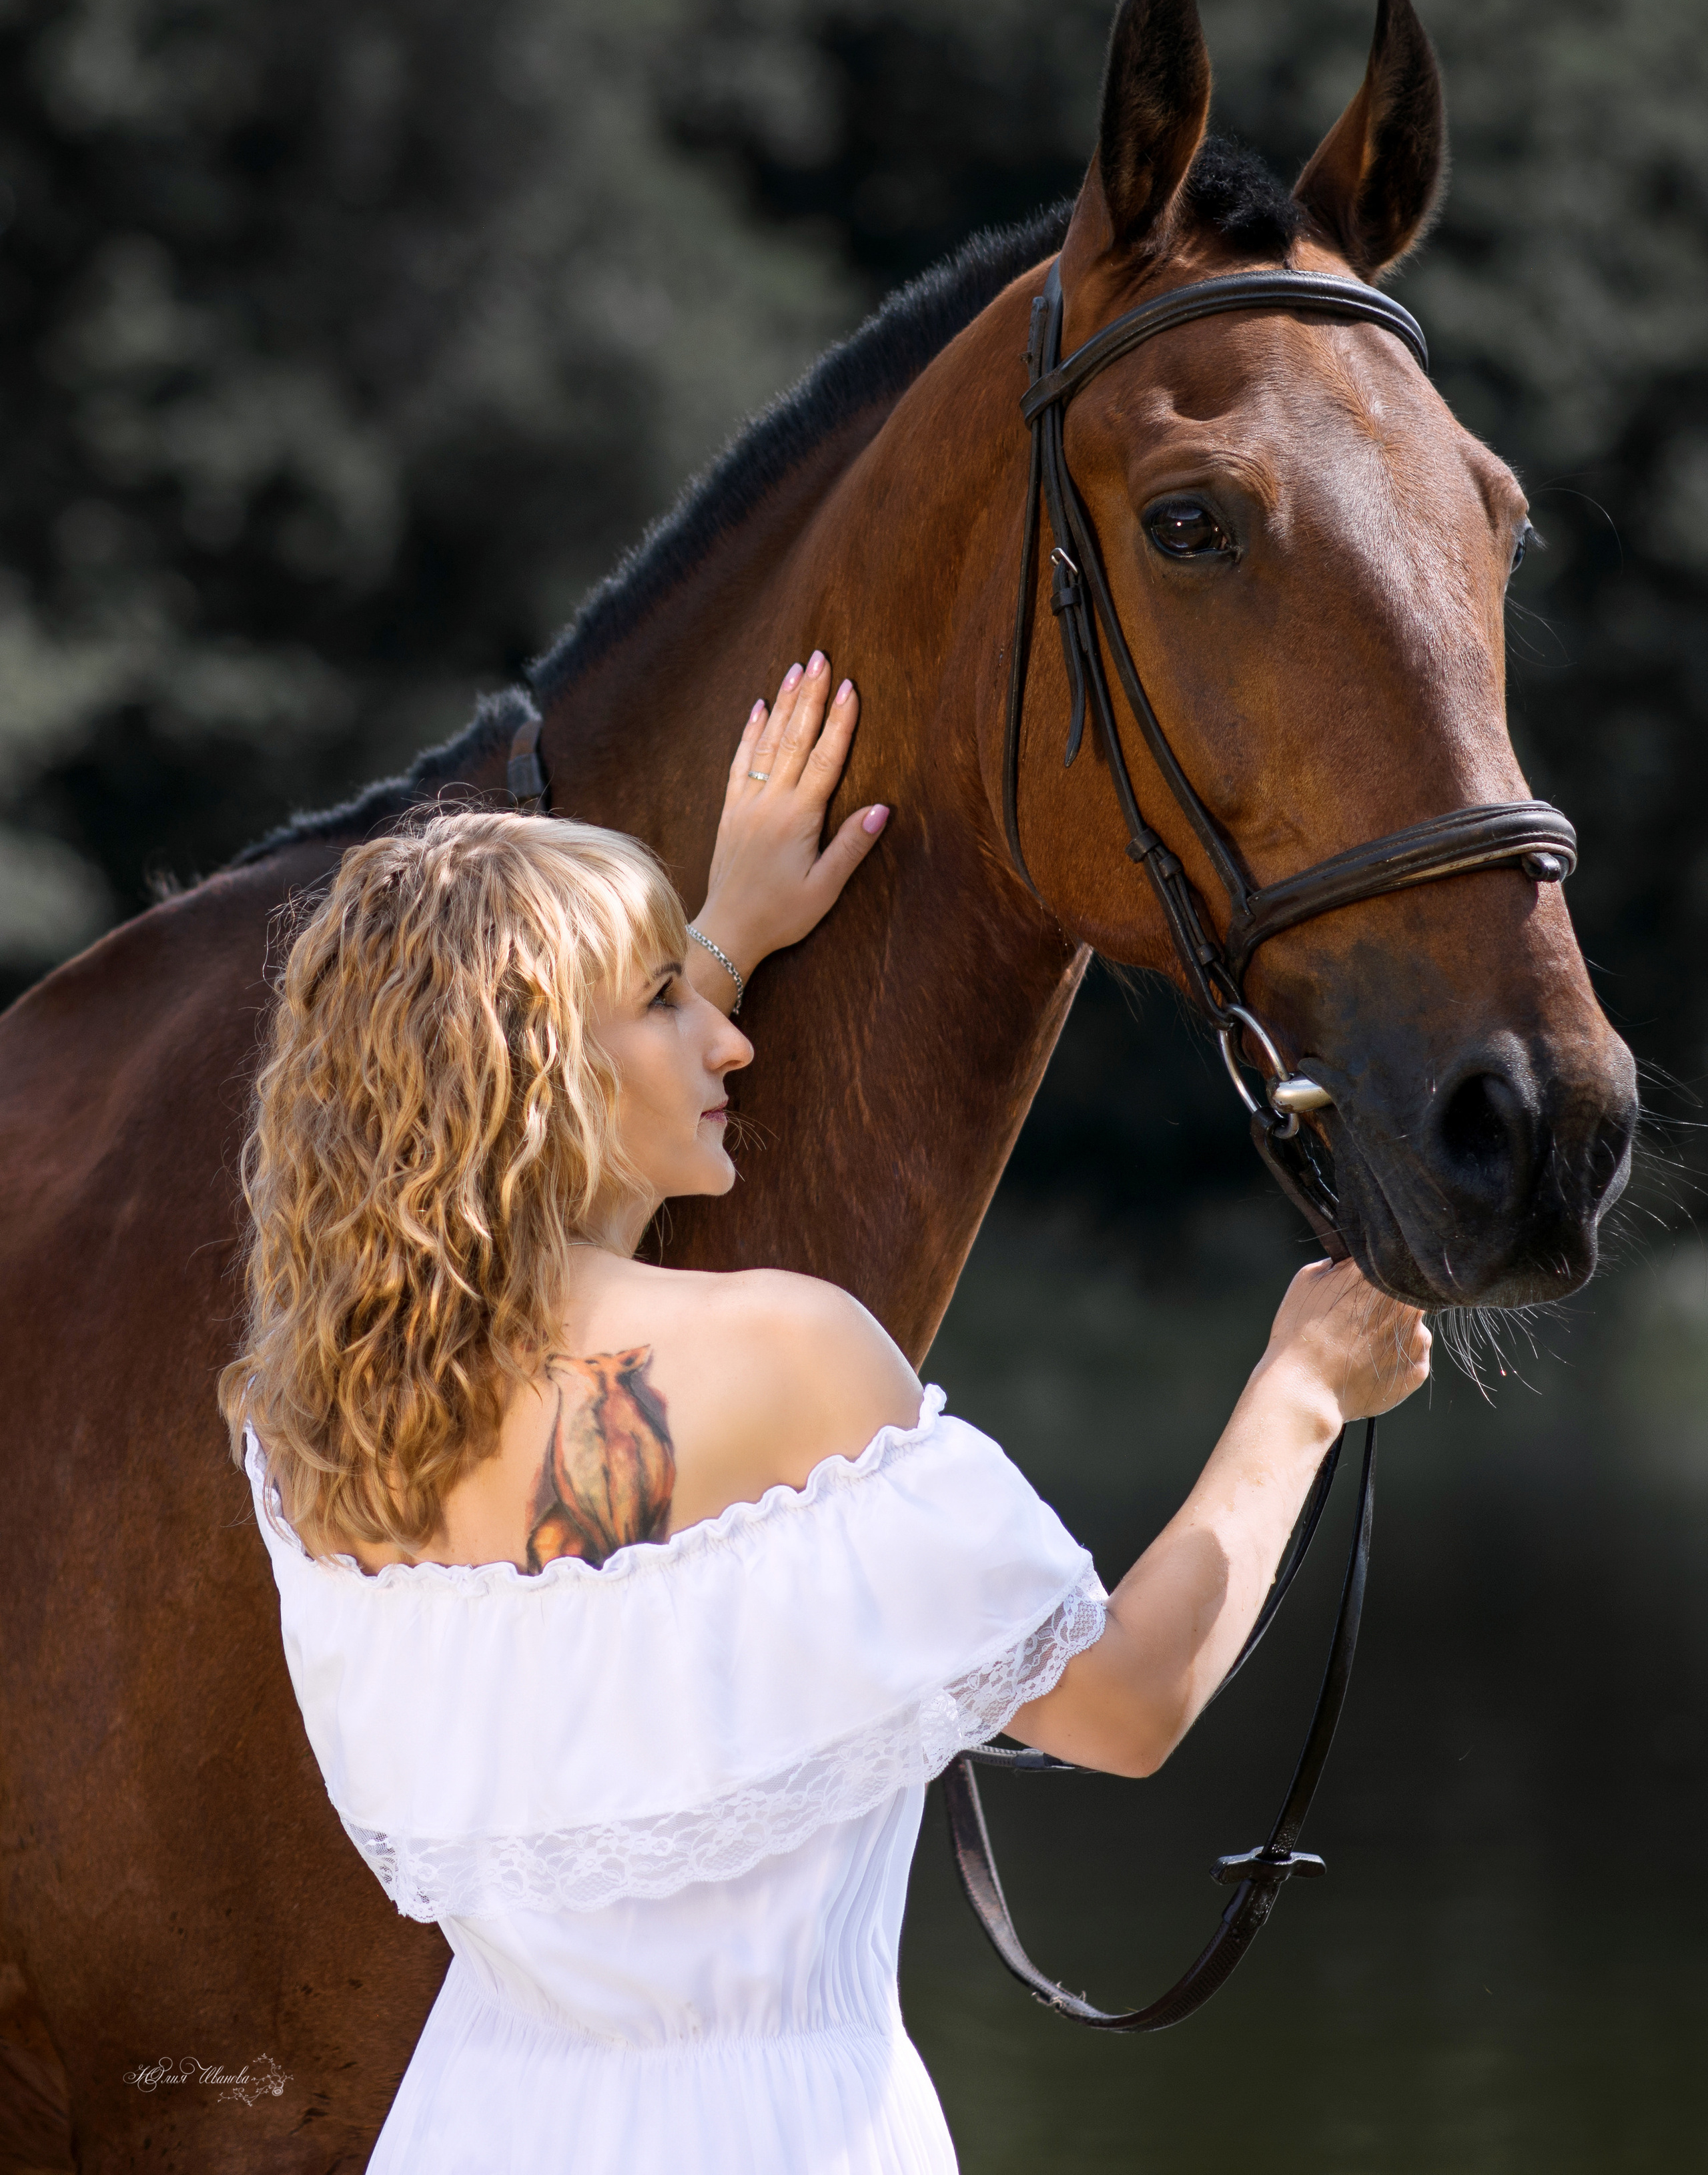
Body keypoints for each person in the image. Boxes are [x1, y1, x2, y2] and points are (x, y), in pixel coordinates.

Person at [222, 651, 1430, 2175]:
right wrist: (1302, 1386)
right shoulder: (791, 1354)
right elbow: (1125, 1704)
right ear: (540, 1080)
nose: (723, 1039)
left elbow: (552, 1234)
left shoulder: (309, 1432)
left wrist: (717, 938)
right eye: (662, 1005)